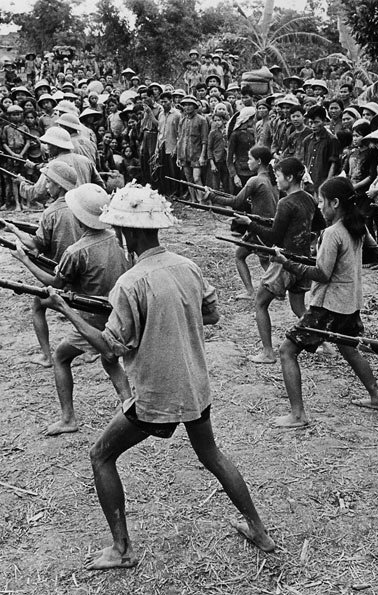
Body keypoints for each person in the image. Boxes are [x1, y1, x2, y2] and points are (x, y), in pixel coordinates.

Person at [44, 184, 275, 570]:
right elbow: (212, 315)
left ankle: (121, 550)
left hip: (156, 395)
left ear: (126, 233)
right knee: (212, 455)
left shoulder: (130, 284)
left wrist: (65, 309)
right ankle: (260, 531)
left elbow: (110, 348)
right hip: (195, 386)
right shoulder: (188, 266)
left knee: (100, 455)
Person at [10, 184, 131, 435]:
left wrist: (25, 261)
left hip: (92, 319)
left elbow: (54, 284)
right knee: (110, 360)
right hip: (118, 312)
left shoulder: (76, 251)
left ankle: (68, 418)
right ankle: (129, 404)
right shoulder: (118, 239)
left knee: (60, 358)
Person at [271, 177, 378, 428]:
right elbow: (366, 253)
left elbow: (322, 273)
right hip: (349, 302)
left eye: (322, 202)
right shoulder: (355, 226)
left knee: (287, 351)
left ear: (335, 203)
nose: (320, 207)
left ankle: (298, 415)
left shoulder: (333, 232)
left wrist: (287, 264)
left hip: (328, 304)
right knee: (348, 348)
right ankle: (377, 397)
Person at [233, 158, 324, 364]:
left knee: (260, 303)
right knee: (299, 307)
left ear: (290, 177)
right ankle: (322, 343)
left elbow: (272, 238)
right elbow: (319, 223)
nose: (277, 179)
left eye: (279, 175)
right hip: (303, 260)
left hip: (283, 262)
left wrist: (250, 223)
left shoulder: (286, 202)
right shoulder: (309, 198)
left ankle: (267, 352)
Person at [6, 161, 81, 368]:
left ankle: (47, 356)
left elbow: (36, 244)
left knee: (38, 306)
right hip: (83, 268)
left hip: (62, 271)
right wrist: (14, 229)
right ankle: (89, 349)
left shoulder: (51, 212)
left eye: (49, 182)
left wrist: (16, 235)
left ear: (59, 185)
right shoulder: (80, 205)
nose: (46, 186)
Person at [209, 146, 278, 299]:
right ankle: (277, 290)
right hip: (270, 227)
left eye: (250, 159)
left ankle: (251, 292)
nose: (248, 162)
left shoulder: (255, 180)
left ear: (259, 161)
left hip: (259, 229)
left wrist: (212, 197)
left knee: (239, 256)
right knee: (264, 259)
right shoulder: (273, 180)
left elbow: (235, 202)